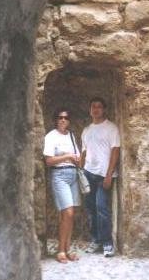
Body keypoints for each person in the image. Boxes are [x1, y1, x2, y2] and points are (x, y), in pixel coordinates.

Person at [80, 97, 120, 258]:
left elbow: (115, 150)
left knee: (102, 208)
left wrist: (109, 174)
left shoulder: (111, 128)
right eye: (93, 106)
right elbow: (84, 152)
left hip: (104, 175)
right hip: (88, 173)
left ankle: (107, 243)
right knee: (91, 210)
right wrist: (81, 171)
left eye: (99, 106)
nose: (95, 109)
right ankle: (95, 240)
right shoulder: (86, 130)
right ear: (90, 110)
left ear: (104, 109)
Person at [43, 107, 82, 264]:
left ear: (69, 120)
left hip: (73, 174)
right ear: (56, 120)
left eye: (66, 118)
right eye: (60, 117)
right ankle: (60, 250)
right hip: (59, 175)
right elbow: (49, 160)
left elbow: (78, 157)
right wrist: (67, 156)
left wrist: (77, 159)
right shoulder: (51, 136)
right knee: (68, 213)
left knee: (70, 216)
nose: (63, 120)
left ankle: (67, 248)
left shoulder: (71, 136)